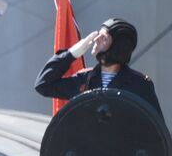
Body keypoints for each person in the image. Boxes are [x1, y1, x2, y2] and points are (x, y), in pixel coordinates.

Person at [34, 17, 162, 119]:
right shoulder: (85, 79)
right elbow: (43, 85)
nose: (96, 39)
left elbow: (156, 130)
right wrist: (71, 54)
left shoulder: (140, 85)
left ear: (118, 48)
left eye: (104, 38)